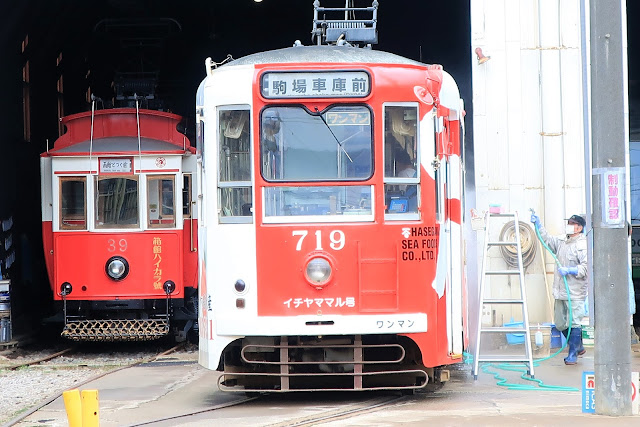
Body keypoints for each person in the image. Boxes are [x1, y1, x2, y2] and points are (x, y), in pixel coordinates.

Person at [530, 213, 588, 365]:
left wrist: (571, 270)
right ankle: (579, 345)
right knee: (560, 323)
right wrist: (538, 226)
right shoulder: (562, 241)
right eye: (568, 222)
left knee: (574, 322)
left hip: (575, 292)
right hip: (560, 291)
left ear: (579, 228)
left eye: (572, 223)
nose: (568, 225)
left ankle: (573, 353)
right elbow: (547, 240)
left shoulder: (583, 245)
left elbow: (586, 268)